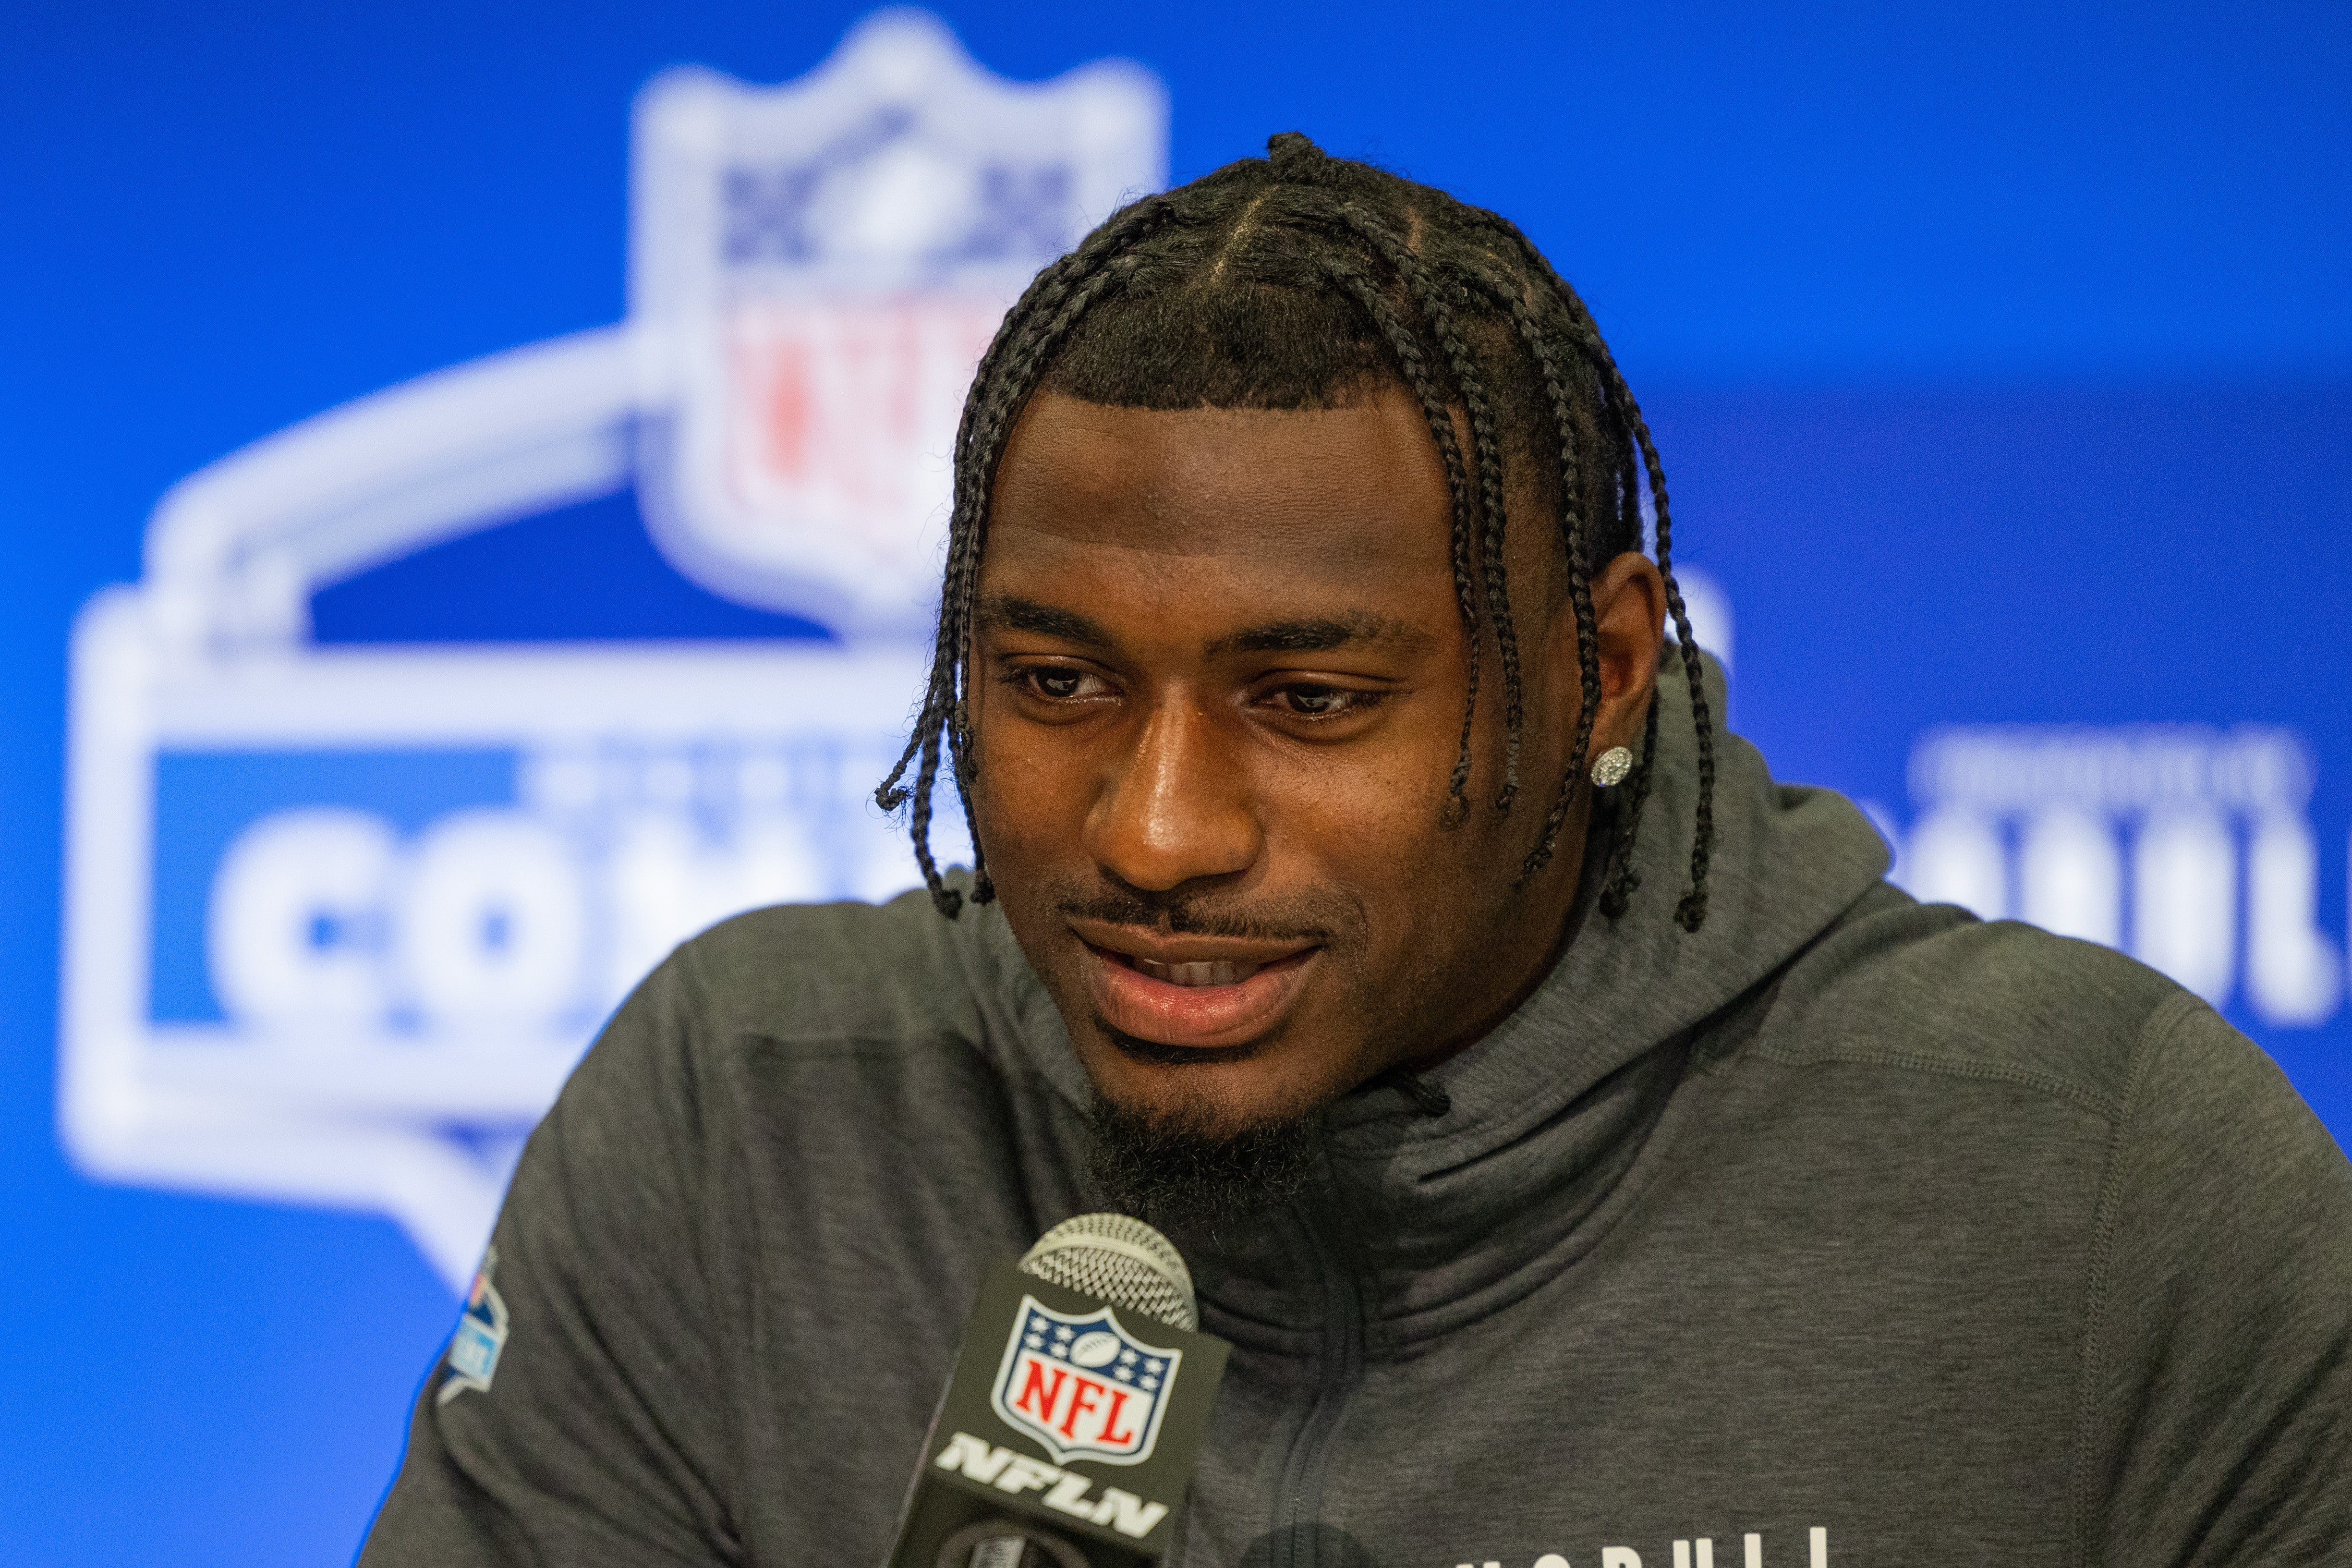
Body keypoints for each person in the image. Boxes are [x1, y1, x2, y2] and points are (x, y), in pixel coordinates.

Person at [360, 134, 2352, 1566]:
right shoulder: (755, 1118)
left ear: (1601, 672)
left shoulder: (2098, 1184)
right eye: (1056, 684)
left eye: (1309, 700)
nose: (1156, 830)